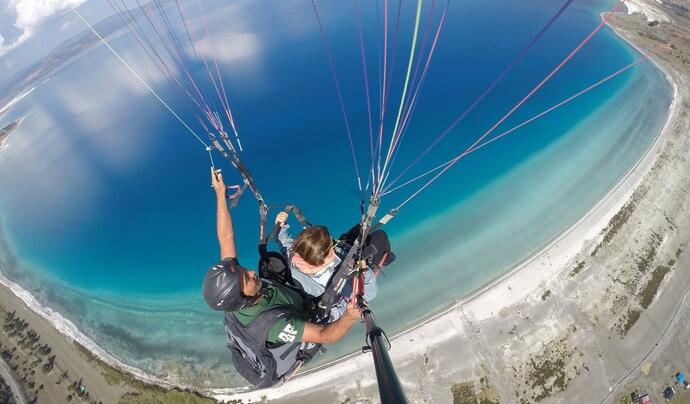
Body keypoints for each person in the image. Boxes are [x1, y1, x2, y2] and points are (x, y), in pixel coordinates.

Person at [202, 168, 363, 385]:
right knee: (359, 264)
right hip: (304, 309)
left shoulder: (236, 288)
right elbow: (325, 335)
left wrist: (220, 195)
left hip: (287, 296)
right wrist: (348, 318)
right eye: (247, 279)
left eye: (242, 270)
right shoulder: (275, 326)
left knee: (349, 240)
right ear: (244, 299)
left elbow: (226, 237)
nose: (250, 272)